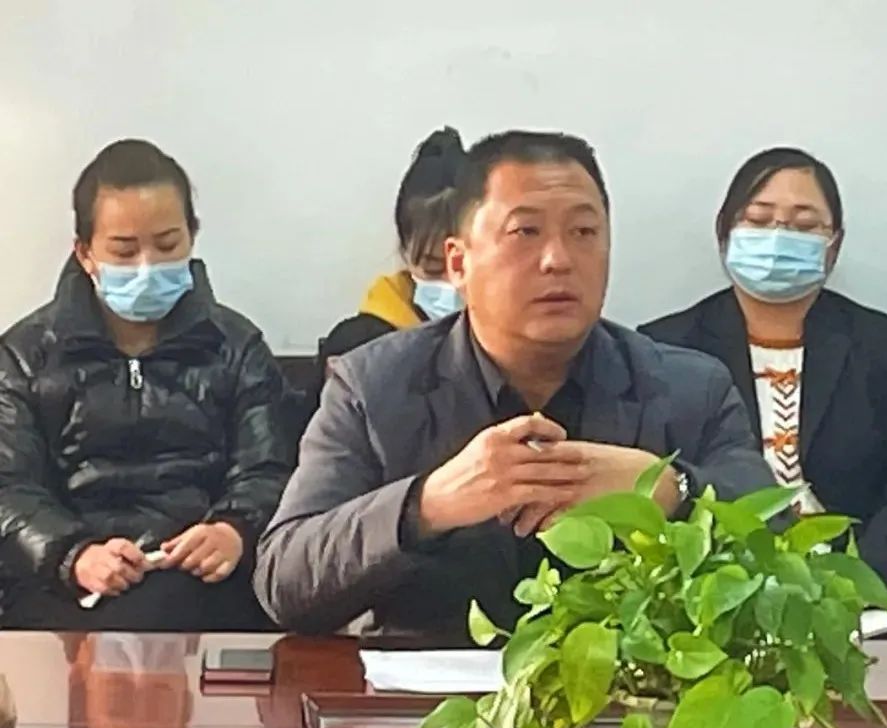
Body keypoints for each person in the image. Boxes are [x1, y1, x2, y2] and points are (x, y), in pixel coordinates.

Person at [255, 130, 776, 637]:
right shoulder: (372, 387)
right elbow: (286, 579)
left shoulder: (690, 389)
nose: (558, 260)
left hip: (632, 688)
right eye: (526, 232)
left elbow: (777, 548)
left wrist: (670, 490)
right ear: (458, 263)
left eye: (584, 232)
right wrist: (426, 505)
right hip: (423, 692)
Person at [0, 139, 290, 631]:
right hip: (68, 589)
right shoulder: (24, 357)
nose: (147, 266)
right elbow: (10, 489)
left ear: (192, 237)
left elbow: (271, 469)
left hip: (203, 581)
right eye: (124, 250)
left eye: (167, 245)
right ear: (85, 253)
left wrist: (234, 530)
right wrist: (74, 555)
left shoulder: (237, 347)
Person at [640, 147, 887, 599]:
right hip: (713, 595)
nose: (778, 237)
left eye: (805, 226)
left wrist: (862, 589)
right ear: (724, 233)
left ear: (834, 245)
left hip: (862, 592)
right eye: (758, 220)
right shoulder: (664, 350)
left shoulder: (885, 346)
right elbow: (654, 490)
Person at [317, 126, 467, 372]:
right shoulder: (360, 347)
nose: (451, 284)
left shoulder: (514, 340)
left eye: (462, 266)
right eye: (432, 267)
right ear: (404, 250)